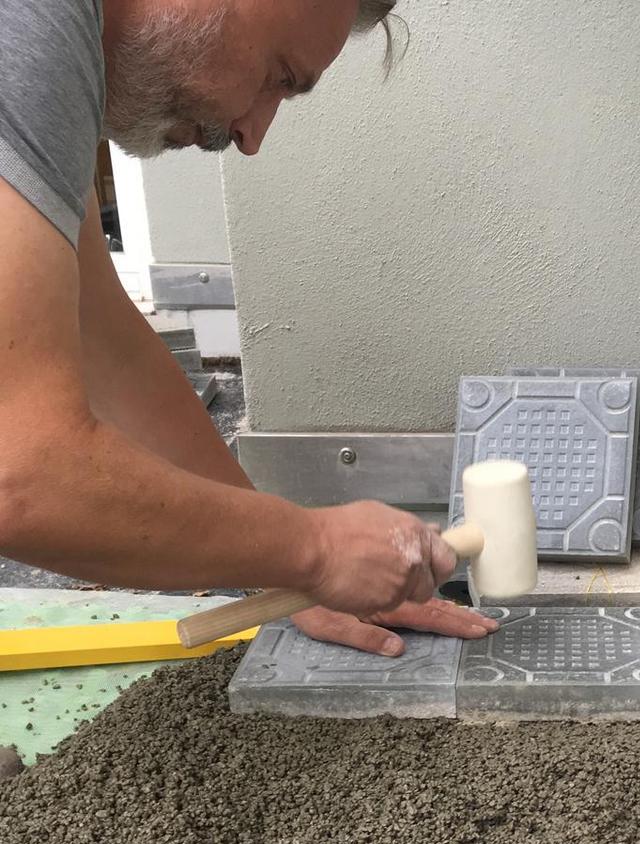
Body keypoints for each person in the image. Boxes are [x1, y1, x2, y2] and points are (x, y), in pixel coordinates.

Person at [0, 0, 499, 654]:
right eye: (277, 76)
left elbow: (103, 337)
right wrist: (314, 551)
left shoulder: (60, 63)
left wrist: (285, 569)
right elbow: (22, 471)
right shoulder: (33, 23)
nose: (253, 135)